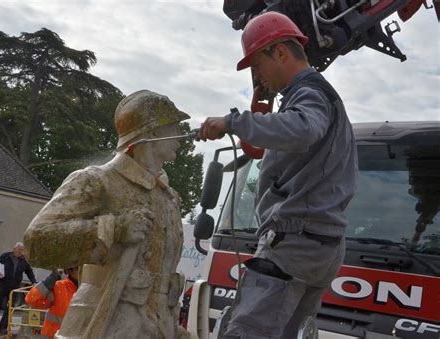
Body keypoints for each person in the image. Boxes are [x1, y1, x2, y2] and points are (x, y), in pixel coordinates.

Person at [199, 12, 358, 338]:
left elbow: (302, 129)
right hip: (320, 244)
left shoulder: (309, 94)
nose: (258, 78)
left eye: (257, 66)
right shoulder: (325, 100)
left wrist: (234, 122)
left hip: (294, 240)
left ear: (280, 52)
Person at [24, 90, 190, 338]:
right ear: (152, 132)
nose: (181, 137)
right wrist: (114, 229)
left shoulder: (167, 197)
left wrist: (171, 329)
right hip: (100, 326)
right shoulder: (97, 181)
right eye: (174, 127)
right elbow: (36, 242)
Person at [0, 242, 37, 335]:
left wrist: (33, 281)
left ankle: (2, 328)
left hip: (14, 288)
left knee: (9, 309)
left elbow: (29, 271)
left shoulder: (24, 260)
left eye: (22, 250)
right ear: (14, 249)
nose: (20, 252)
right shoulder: (6, 256)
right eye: (19, 249)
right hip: (2, 285)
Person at [25, 267, 79, 338]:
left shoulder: (94, 290)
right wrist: (46, 284)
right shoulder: (59, 287)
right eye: (78, 268)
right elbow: (32, 300)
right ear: (68, 271)